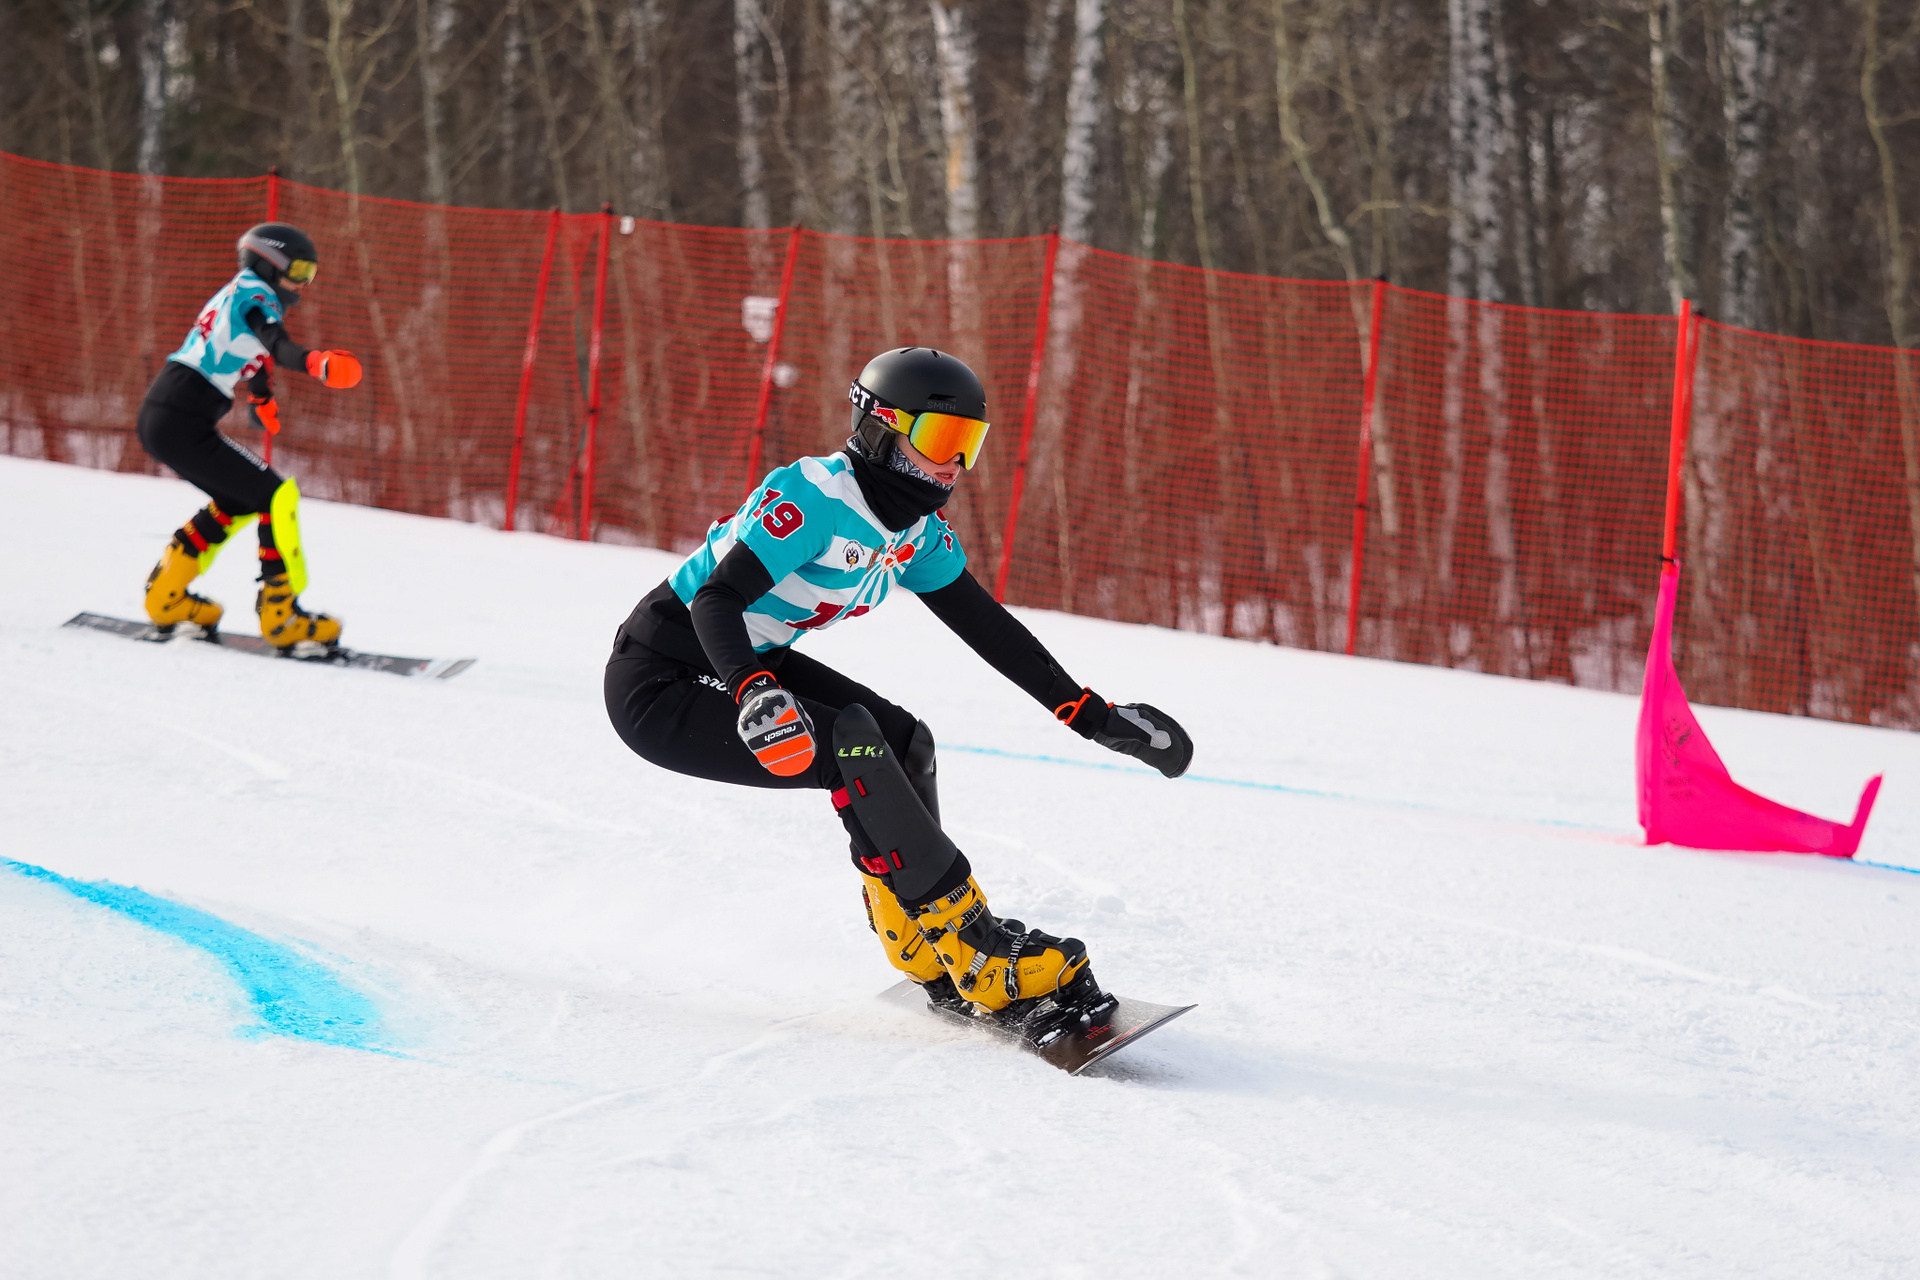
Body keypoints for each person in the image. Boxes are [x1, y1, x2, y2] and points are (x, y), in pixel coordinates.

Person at [605, 346, 1192, 1026]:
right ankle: (975, 947)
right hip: (663, 677)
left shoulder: (916, 531)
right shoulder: (815, 499)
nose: (955, 463)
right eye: (941, 438)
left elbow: (989, 628)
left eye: (969, 443)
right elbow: (716, 599)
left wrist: (1088, 713)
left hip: (744, 661)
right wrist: (754, 691)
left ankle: (923, 941)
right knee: (850, 744)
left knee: (904, 743)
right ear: (882, 429)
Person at [137, 222, 363, 650]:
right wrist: (317, 363)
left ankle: (167, 596)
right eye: (298, 271)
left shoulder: (240, 292)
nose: (303, 282)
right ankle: (282, 617)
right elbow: (274, 343)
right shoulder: (257, 298)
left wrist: (261, 397)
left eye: (310, 274)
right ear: (269, 263)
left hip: (168, 412)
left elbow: (252, 349)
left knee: (239, 499)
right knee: (276, 496)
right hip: (181, 415)